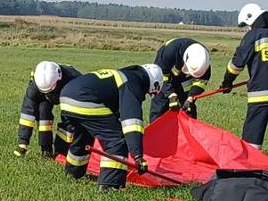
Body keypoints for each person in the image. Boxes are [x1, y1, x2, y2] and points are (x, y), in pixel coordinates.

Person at [59, 63, 163, 191]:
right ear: (152, 84)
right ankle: (110, 185)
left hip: (66, 97)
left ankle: (73, 173)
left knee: (84, 134)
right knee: (117, 139)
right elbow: (131, 119)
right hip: (85, 99)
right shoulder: (132, 81)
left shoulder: (121, 75)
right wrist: (138, 156)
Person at [217, 3, 268, 158]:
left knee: (252, 136)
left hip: (261, 97)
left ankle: (250, 168)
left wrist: (227, 83)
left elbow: (236, 65)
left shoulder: (253, 37)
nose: (247, 29)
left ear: (251, 20)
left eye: (246, 25)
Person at [16, 60, 80, 158]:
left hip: (71, 96)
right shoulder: (37, 83)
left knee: (69, 122)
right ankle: (46, 150)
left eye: (49, 91)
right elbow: (27, 113)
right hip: (48, 91)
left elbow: (70, 118)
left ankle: (62, 152)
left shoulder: (74, 81)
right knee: (43, 111)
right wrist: (22, 143)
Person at [149, 37, 211, 122]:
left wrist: (191, 97)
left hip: (182, 83)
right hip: (164, 77)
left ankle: (188, 133)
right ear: (185, 60)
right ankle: (157, 133)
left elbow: (201, 82)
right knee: (160, 107)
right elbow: (160, 76)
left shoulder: (203, 62)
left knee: (188, 109)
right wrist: (170, 94)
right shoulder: (170, 52)